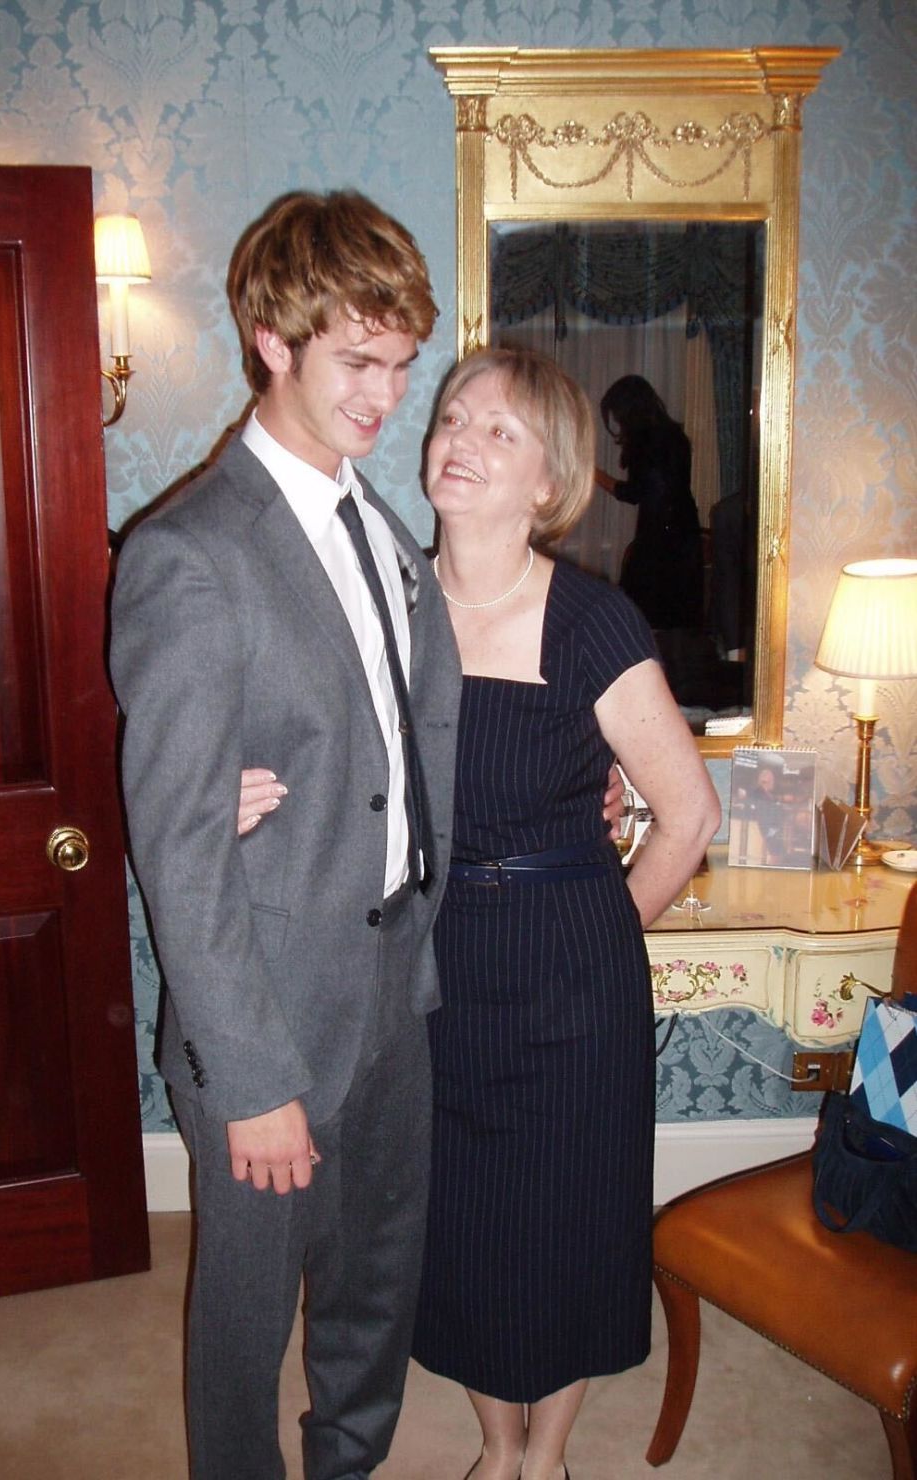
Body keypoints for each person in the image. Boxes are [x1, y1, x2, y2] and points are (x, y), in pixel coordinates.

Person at [108, 190, 464, 1480]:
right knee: (248, 1326)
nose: (388, 393)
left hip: (391, 993)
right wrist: (252, 1076)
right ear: (272, 338)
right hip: (262, 1015)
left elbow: (407, 749)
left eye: (402, 362)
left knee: (375, 1298)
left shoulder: (388, 538)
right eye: (358, 362)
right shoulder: (190, 555)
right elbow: (181, 848)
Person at [410, 347, 719, 1480]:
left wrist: (596, 938)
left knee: (565, 1221)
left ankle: (547, 1455)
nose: (463, 440)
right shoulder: (389, 608)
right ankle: (497, 1444)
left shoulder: (591, 622)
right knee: (470, 1227)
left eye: (501, 430)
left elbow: (687, 817)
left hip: (569, 969)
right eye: (453, 418)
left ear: (551, 480)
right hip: (437, 971)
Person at [595, 374, 705, 635]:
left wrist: (595, 475)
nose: (619, 424)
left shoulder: (649, 443)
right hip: (684, 535)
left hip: (661, 543)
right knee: (676, 622)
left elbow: (636, 493)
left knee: (641, 619)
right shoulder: (674, 437)